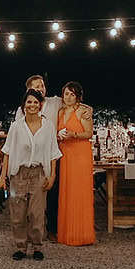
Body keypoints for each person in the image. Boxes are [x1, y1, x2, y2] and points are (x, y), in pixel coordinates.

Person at [0, 89, 61, 260]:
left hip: (39, 174)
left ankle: (37, 246)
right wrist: (3, 177)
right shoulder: (16, 127)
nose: (32, 105)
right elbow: (7, 152)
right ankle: (21, 246)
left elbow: (54, 153)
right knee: (18, 213)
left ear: (40, 105)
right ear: (23, 105)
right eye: (29, 102)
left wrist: (52, 176)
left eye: (35, 102)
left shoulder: (48, 127)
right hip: (19, 175)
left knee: (36, 213)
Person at [12, 74, 63, 235]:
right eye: (35, 86)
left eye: (41, 85)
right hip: (29, 158)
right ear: (28, 90)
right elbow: (16, 136)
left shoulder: (55, 102)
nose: (40, 88)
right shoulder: (22, 110)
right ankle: (26, 231)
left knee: (53, 193)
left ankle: (51, 229)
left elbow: (73, 101)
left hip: (52, 152)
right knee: (27, 197)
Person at [55, 82, 95, 246]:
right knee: (67, 192)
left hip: (80, 154)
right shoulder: (61, 112)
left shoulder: (83, 111)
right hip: (65, 154)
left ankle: (81, 234)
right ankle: (66, 233)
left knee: (79, 193)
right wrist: (60, 136)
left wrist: (73, 135)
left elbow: (88, 133)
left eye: (72, 94)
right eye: (66, 94)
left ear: (77, 96)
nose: (69, 97)